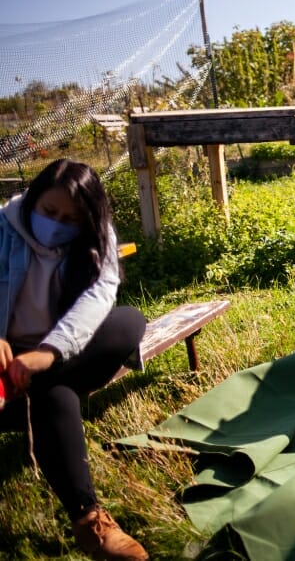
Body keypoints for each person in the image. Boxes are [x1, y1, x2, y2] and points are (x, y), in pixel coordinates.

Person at [0, 159, 148, 561]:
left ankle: (40, 383)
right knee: (56, 396)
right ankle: (90, 522)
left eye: (71, 218)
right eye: (49, 212)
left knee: (127, 323)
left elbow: (97, 299)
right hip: (6, 366)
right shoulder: (2, 227)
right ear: (32, 200)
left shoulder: (97, 239)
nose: (57, 223)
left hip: (56, 356)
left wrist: (45, 355)